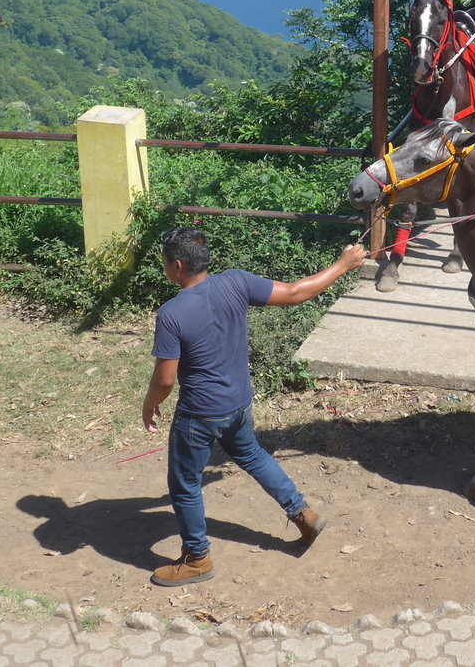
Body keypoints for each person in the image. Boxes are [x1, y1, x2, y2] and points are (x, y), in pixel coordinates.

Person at [142, 226, 367, 587]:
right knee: (253, 455)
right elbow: (296, 293)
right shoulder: (236, 281)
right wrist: (343, 265)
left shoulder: (171, 313)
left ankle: (197, 559)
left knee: (184, 485)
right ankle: (304, 514)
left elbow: (166, 380)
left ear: (178, 265)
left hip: (199, 414)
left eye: (165, 262)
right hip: (239, 403)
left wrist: (150, 404)